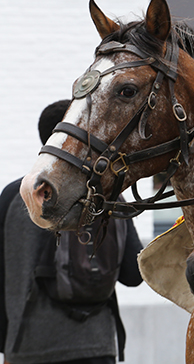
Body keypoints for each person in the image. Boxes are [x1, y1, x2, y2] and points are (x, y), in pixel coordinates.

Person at [0, 100, 143, 364]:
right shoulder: (111, 197)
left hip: (28, 346)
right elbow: (134, 276)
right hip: (95, 346)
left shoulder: (13, 196)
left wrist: (8, 344)